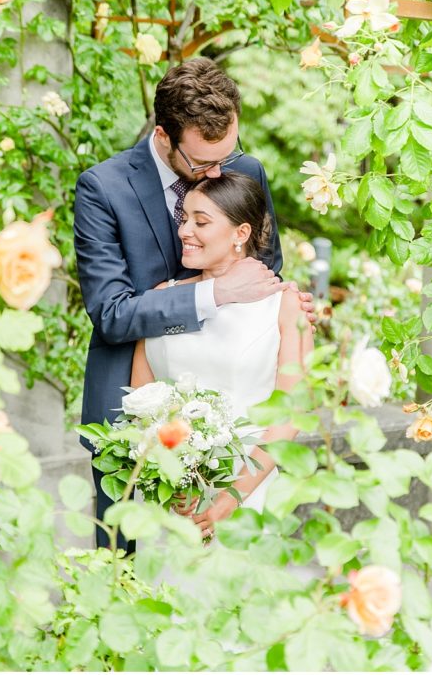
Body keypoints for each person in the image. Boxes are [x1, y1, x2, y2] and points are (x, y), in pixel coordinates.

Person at [73, 58, 313, 549]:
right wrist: (211, 292)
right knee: (126, 580)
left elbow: (263, 273)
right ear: (164, 136)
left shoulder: (244, 170)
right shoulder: (103, 188)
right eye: (204, 165)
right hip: (134, 414)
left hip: (236, 410)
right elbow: (113, 314)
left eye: (230, 153)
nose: (221, 171)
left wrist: (290, 309)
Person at [129, 173, 314, 538]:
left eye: (201, 222)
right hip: (165, 500)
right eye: (184, 219)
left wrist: (228, 499)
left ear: (240, 234)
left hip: (246, 500)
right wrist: (171, 480)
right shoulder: (161, 298)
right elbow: (140, 399)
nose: (184, 230)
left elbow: (293, 412)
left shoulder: (284, 305)